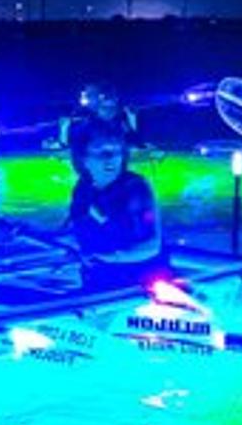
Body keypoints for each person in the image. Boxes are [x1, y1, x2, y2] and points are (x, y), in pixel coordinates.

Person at [62, 125, 165, 290]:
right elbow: (74, 229)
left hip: (139, 285)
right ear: (83, 158)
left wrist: (107, 257)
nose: (110, 158)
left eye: (116, 151)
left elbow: (151, 247)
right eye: (100, 151)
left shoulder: (135, 188)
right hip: (96, 280)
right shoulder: (83, 188)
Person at [61, 80, 140, 172]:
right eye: (105, 108)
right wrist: (64, 129)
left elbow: (133, 140)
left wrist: (132, 119)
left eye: (111, 108)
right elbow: (67, 145)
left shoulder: (119, 123)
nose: (109, 111)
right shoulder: (86, 124)